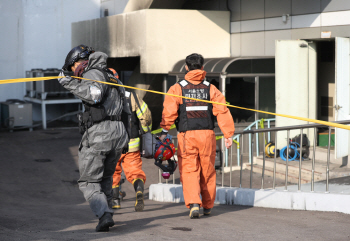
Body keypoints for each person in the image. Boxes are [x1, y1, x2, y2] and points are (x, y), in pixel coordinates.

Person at [58, 45, 129, 232]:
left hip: (101, 133)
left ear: (78, 62)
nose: (74, 73)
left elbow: (94, 96)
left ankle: (104, 214)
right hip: (119, 133)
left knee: (88, 181)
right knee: (105, 178)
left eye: (72, 69)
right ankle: (107, 215)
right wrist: (127, 137)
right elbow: (126, 110)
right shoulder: (113, 76)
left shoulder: (93, 73)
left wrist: (68, 82)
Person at [159, 53, 235, 219]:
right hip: (207, 135)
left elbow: (169, 112)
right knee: (207, 170)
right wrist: (228, 134)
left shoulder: (177, 88)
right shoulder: (211, 88)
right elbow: (222, 111)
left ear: (186, 67)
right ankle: (207, 206)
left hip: (187, 136)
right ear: (202, 67)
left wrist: (164, 132)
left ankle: (194, 204)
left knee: (189, 170)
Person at [112, 90, 152, 211]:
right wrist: (146, 131)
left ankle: (115, 201)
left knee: (113, 172)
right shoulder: (131, 95)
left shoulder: (103, 94)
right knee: (135, 172)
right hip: (132, 143)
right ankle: (139, 190)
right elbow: (145, 115)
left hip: (112, 143)